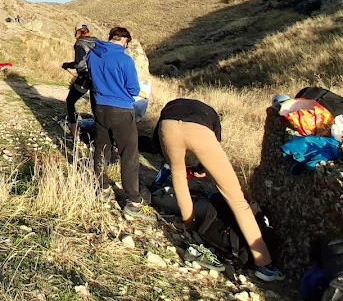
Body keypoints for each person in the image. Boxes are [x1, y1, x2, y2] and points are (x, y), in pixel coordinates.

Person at [154, 98, 285, 282]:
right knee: (236, 198)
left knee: (179, 177)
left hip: (168, 126)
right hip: (199, 131)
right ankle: (263, 264)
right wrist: (201, 170)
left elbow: (156, 139)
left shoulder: (172, 105)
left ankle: (191, 230)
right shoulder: (211, 114)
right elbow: (214, 146)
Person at [87, 26, 153, 219]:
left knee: (102, 149)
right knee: (129, 155)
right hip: (122, 111)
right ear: (124, 41)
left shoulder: (93, 54)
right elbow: (133, 89)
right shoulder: (125, 59)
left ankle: (103, 188)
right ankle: (133, 200)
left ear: (110, 38)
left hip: (100, 108)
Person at [61, 23, 97, 132]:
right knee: (96, 105)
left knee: (70, 101)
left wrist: (66, 65)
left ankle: (74, 131)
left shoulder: (79, 43)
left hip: (84, 77)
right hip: (99, 77)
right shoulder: (97, 42)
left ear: (77, 32)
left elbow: (79, 64)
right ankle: (100, 132)